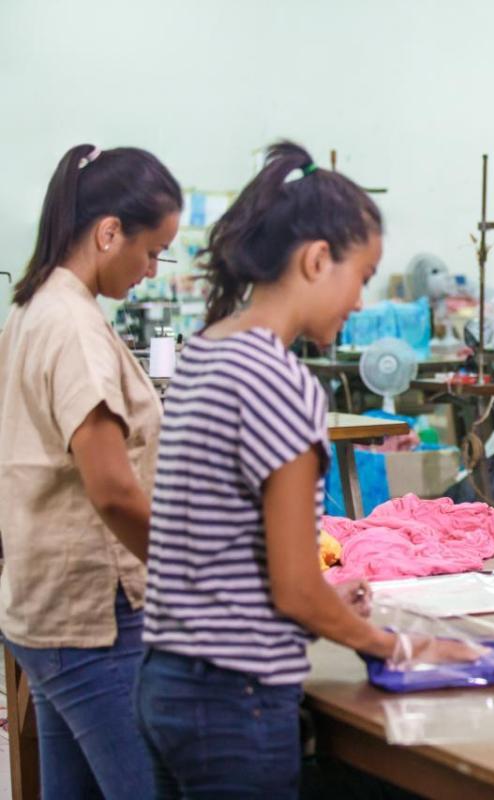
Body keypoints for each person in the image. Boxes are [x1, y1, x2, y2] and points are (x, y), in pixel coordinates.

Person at [134, 142, 464, 797]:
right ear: (317, 259)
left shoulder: (206, 354)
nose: (360, 303)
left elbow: (216, 544)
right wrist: (393, 645)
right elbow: (292, 587)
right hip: (236, 698)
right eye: (362, 277)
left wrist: (315, 599)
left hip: (167, 684)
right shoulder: (281, 382)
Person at [0, 143, 181, 797]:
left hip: (43, 606)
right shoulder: (74, 326)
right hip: (91, 618)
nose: (152, 269)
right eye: (152, 251)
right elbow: (110, 490)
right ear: (109, 233)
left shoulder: (32, 308)